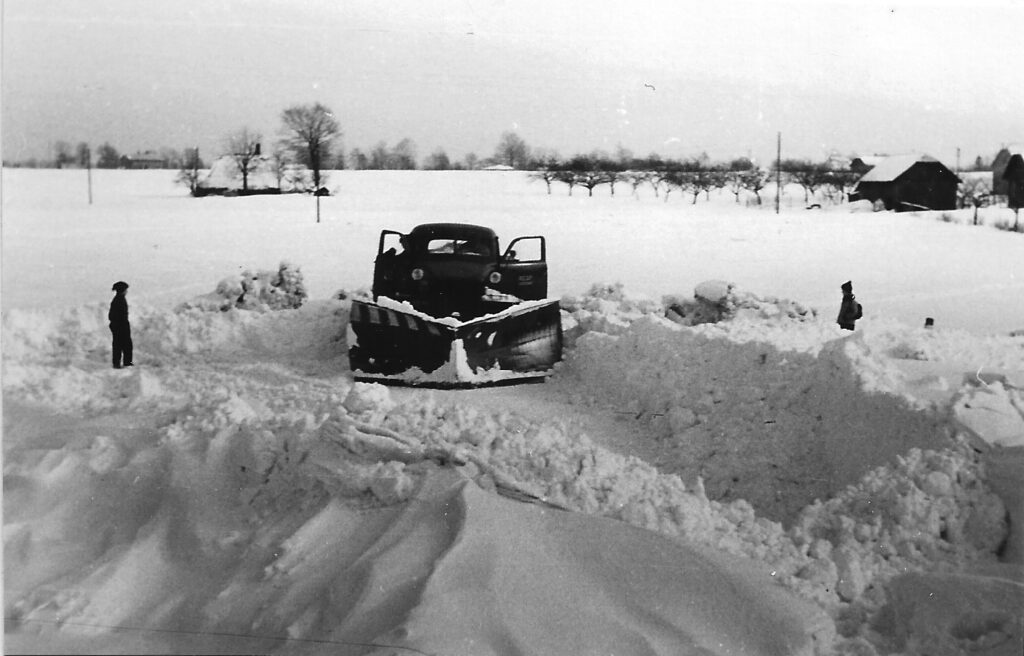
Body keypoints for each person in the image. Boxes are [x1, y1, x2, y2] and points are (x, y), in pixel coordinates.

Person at [109, 281, 133, 368]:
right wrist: (122, 325)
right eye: (126, 290)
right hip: (121, 326)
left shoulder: (117, 299)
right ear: (123, 290)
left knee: (118, 345)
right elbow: (116, 315)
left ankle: (117, 362)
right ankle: (126, 362)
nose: (127, 291)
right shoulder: (120, 300)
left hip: (117, 325)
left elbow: (111, 315)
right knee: (125, 345)